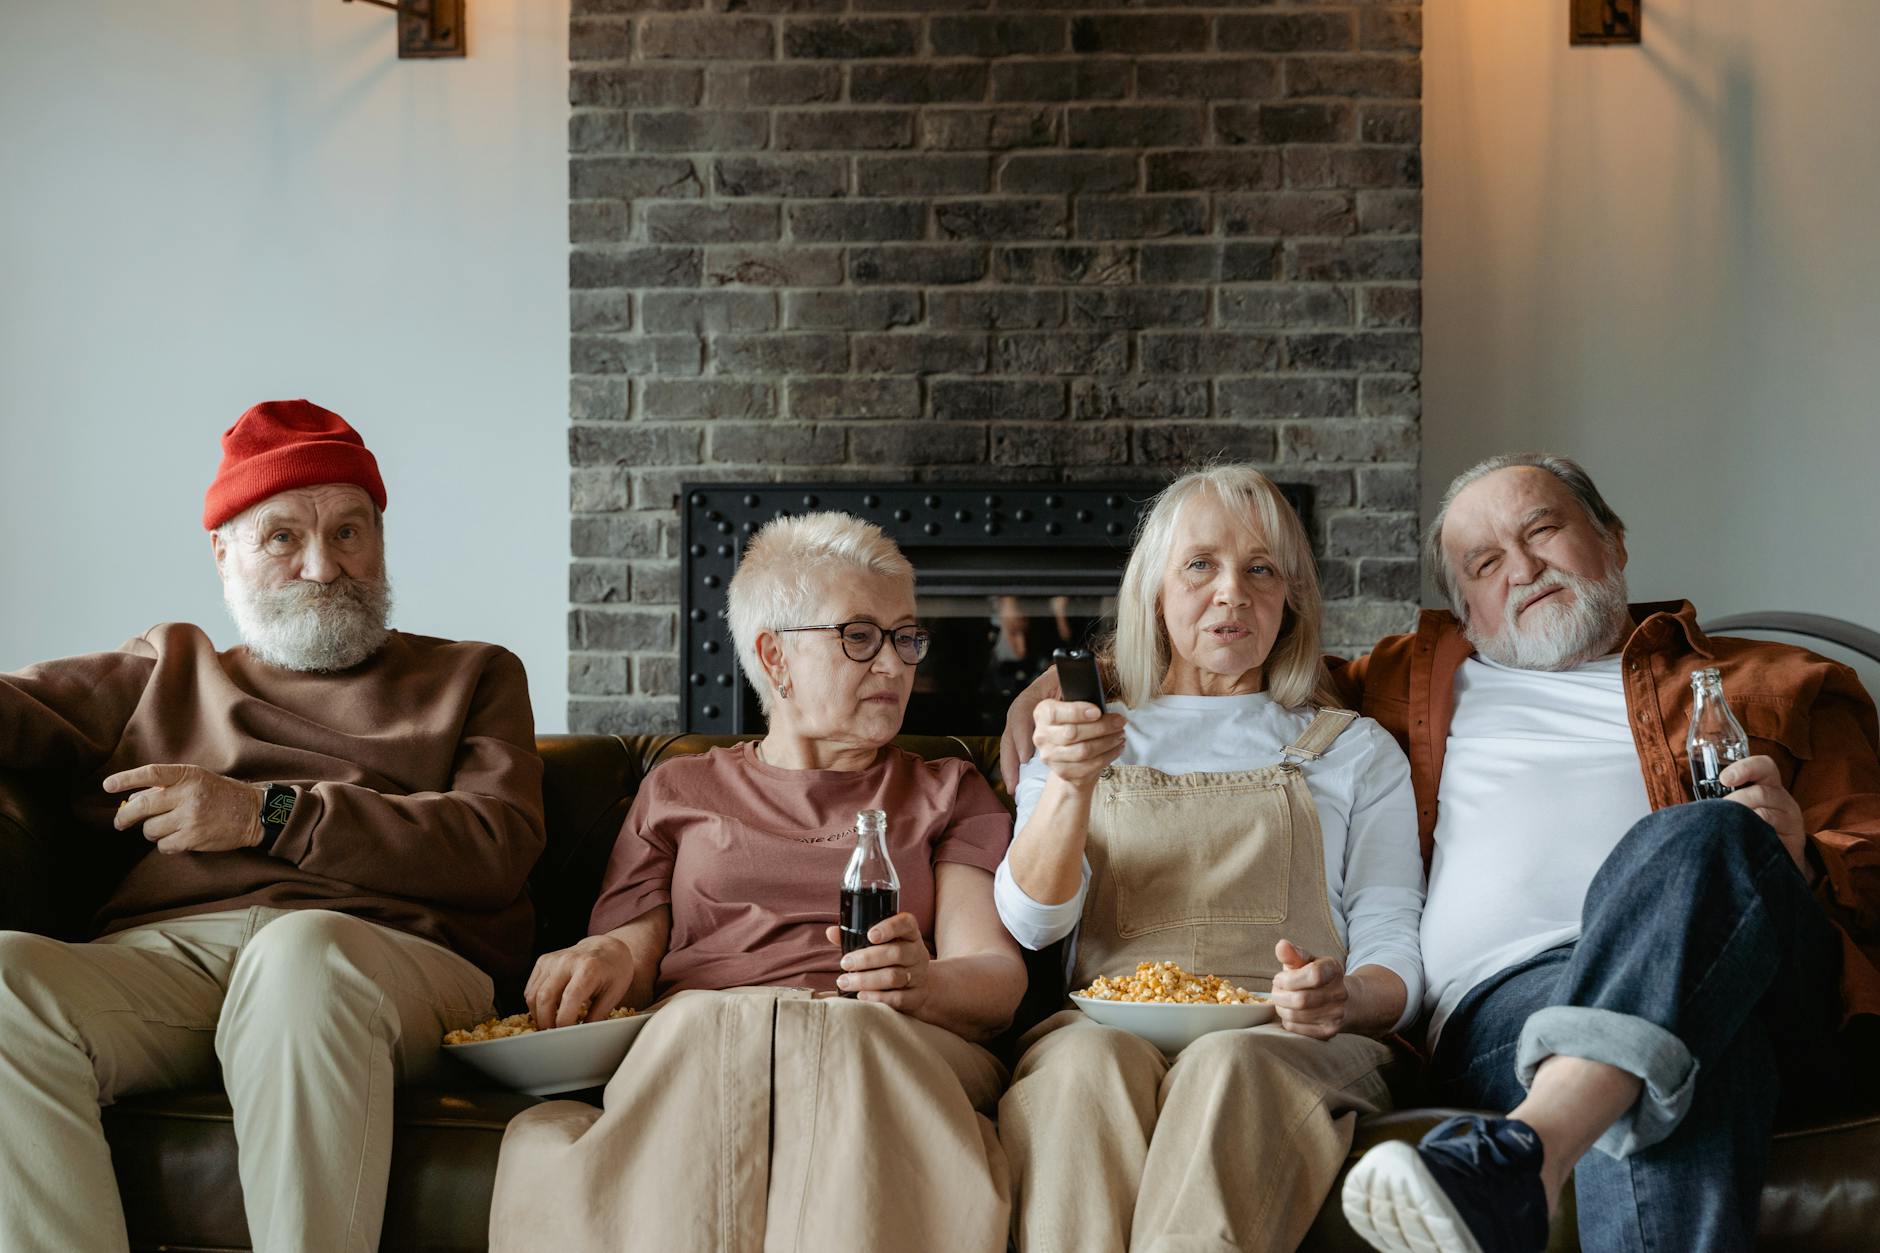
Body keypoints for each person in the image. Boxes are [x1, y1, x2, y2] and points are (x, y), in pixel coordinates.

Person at [1008, 453, 1880, 1252]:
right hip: (1508, 1007)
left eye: (1541, 530)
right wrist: (1058, 688)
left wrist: (1798, 855)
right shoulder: (1415, 683)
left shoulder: (1782, 678)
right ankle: (1549, 1126)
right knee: (1683, 1055)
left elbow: (1870, 872)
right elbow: (1227, 682)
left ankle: (1524, 1151)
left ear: (1611, 539)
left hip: (1750, 964)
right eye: (1484, 563)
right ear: (1465, 607)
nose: (1524, 567)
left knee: (1701, 835)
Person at [0, 399, 546, 1253]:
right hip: (177, 958)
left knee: (299, 960)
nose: (325, 567)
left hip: (384, 956)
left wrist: (267, 813)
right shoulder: (166, 668)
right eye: (283, 536)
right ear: (224, 555)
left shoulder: (470, 674)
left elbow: (492, 846)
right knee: (4, 979)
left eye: (349, 532)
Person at [488, 511, 1027, 1253]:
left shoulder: (947, 790)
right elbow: (636, 941)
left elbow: (995, 976)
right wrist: (609, 954)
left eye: (906, 637)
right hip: (708, 1039)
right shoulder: (681, 787)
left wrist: (924, 983)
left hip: (885, 1042)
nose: (896, 665)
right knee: (708, 1027)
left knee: (827, 1037)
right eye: (861, 636)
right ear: (775, 657)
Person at [994, 465, 1426, 1253]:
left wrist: (1345, 995)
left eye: (1261, 568)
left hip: (1288, 1037)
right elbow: (1031, 921)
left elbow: (1395, 940)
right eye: (1201, 565)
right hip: (1105, 1020)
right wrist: (1069, 783)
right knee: (1082, 1067)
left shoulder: (1355, 750)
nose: (1233, 592)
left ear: (1290, 595)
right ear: (1154, 590)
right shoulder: (1080, 734)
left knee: (1224, 1062)